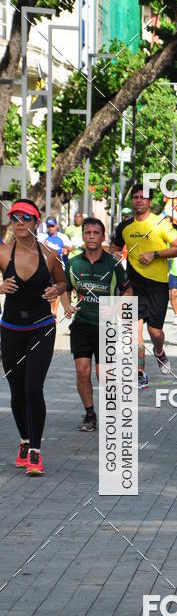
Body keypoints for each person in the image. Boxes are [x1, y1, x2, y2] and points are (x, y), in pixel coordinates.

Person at [0, 199, 66, 475]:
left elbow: (63, 281)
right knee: (16, 392)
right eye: (15, 217)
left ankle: (36, 451)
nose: (19, 222)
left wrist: (57, 290)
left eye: (26, 217)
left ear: (36, 222)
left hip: (41, 327)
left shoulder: (50, 255)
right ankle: (25, 441)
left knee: (32, 388)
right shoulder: (3, 253)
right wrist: (0, 286)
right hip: (11, 329)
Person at [61, 217, 132, 431]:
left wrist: (116, 308)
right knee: (82, 372)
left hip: (107, 327)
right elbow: (64, 288)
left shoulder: (114, 263)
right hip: (81, 325)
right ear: (83, 235)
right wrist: (66, 306)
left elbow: (128, 291)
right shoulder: (73, 263)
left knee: (105, 375)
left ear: (102, 236)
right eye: (87, 233)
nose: (91, 236)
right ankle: (90, 414)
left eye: (96, 233)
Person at [111, 184, 177, 389]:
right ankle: (139, 372)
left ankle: (159, 352)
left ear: (150, 201)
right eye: (135, 197)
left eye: (143, 197)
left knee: (155, 332)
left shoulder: (161, 223)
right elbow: (114, 249)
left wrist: (155, 254)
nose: (138, 200)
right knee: (135, 330)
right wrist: (114, 254)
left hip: (158, 286)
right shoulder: (124, 227)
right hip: (133, 286)